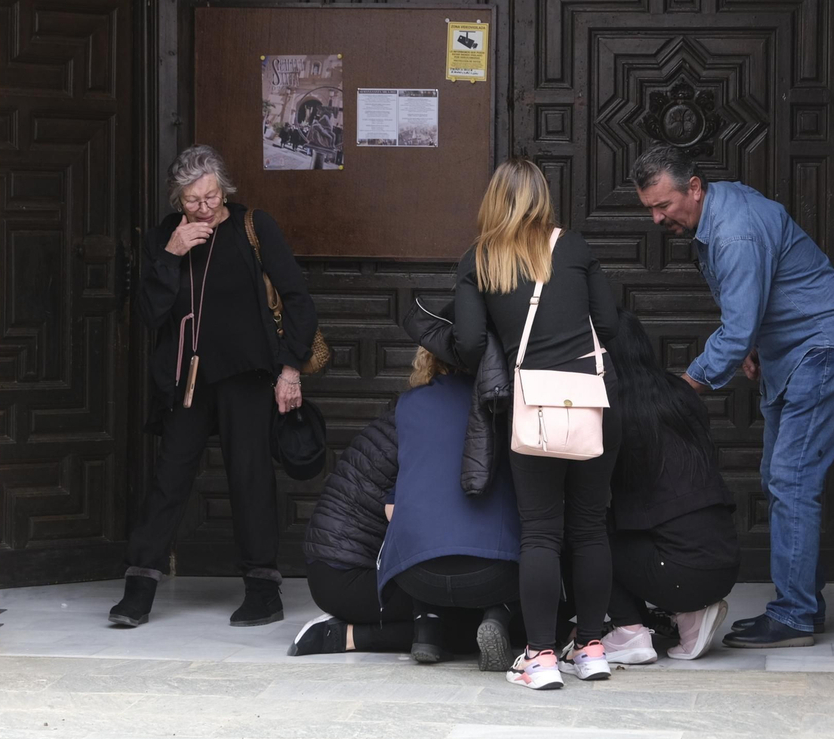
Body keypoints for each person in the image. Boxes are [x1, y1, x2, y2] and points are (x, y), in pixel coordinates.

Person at [631, 144, 834, 649]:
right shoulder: (721, 209)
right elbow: (756, 301)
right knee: (783, 479)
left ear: (693, 188)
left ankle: (796, 615)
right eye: (650, 207)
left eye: (663, 205)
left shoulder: (733, 231)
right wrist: (757, 343)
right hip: (794, 352)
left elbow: (734, 329)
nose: (656, 218)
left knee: (791, 481)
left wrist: (684, 387)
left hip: (817, 351)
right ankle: (803, 605)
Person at [110, 144, 318, 628]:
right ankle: (138, 589)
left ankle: (264, 592)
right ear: (176, 201)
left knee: (249, 478)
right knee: (169, 479)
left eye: (210, 197)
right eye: (191, 201)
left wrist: (290, 370)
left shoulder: (253, 227)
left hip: (247, 376)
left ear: (223, 187)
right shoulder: (167, 237)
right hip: (187, 381)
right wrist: (171, 255)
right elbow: (148, 314)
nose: (204, 208)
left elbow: (298, 299)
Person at [453, 158, 621, 690]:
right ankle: (593, 649)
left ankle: (541, 658)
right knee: (591, 525)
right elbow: (611, 325)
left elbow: (470, 343)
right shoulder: (574, 248)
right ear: (542, 197)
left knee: (541, 533)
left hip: (534, 402)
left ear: (494, 198)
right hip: (595, 398)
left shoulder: (480, 259)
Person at [295, 344, 522, 670]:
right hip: (355, 576)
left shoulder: (414, 407)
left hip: (331, 572)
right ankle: (353, 637)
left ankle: (423, 629)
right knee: (507, 618)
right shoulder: (476, 415)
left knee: (458, 590)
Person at [598, 310, 739, 663]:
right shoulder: (678, 393)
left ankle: (628, 631)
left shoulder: (611, 408)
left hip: (680, 571)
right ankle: (689, 617)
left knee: (583, 530)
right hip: (725, 560)